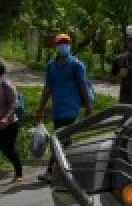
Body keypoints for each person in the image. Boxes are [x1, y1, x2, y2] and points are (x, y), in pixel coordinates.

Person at [35, 33, 94, 182]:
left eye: (66, 42)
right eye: (60, 42)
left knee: (60, 138)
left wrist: (88, 107)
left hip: (71, 107)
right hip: (57, 109)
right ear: (56, 46)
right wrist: (40, 109)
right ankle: (70, 168)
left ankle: (51, 171)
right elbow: (47, 88)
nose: (63, 45)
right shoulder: (51, 66)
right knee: (63, 140)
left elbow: (83, 87)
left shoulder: (77, 65)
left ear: (70, 45)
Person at [0, 59, 24, 184]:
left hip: (7, 124)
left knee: (8, 149)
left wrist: (6, 118)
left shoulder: (6, 83)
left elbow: (14, 104)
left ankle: (19, 172)